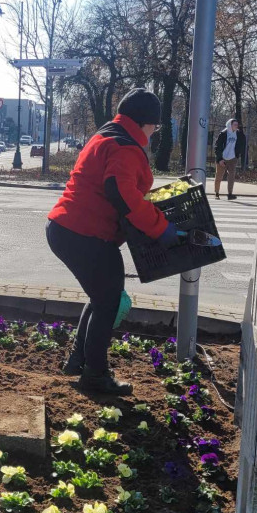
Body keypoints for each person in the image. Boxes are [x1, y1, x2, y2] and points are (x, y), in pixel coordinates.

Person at [45, 88, 181, 394]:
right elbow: (121, 193)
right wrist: (162, 229)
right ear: (146, 123)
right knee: (108, 302)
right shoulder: (125, 147)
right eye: (155, 126)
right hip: (86, 235)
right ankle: (94, 376)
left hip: (66, 228)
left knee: (102, 298)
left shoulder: (106, 135)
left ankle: (79, 360)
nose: (155, 132)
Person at [213, 119, 246, 200]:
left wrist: (237, 155)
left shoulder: (239, 134)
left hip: (233, 158)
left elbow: (243, 144)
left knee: (231, 177)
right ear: (229, 125)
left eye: (237, 125)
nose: (236, 126)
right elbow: (217, 147)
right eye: (234, 124)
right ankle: (216, 193)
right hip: (222, 158)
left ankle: (230, 194)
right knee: (219, 176)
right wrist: (220, 159)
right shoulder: (223, 134)